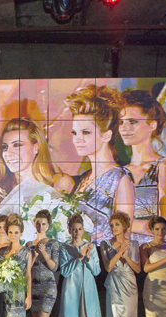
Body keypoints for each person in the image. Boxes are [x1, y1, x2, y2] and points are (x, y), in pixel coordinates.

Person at [0, 118, 74, 242]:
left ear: (36, 147)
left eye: (17, 145)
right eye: (4, 147)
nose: (8, 153)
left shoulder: (60, 183)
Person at [65, 85, 135, 242]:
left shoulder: (120, 179)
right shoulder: (84, 178)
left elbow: (123, 238)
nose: (77, 139)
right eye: (74, 133)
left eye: (86, 132)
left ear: (106, 136)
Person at [119, 89, 166, 243]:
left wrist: (120, 224)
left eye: (133, 122)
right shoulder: (119, 172)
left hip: (154, 252)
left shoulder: (164, 167)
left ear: (152, 125)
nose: (124, 127)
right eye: (121, 122)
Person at [58, 214, 101, 317]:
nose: (77, 232)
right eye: (74, 229)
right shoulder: (65, 248)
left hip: (88, 289)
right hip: (71, 288)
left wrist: (88, 257)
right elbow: (64, 271)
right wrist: (79, 258)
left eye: (79, 229)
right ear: (70, 230)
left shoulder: (91, 247)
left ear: (83, 230)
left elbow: (96, 271)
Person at [100, 211, 140, 317]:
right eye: (111, 225)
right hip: (114, 286)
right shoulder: (105, 244)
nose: (114, 228)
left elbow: (138, 269)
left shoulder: (134, 244)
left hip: (130, 286)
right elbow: (108, 267)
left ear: (124, 226)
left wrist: (127, 256)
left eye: (117, 224)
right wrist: (119, 252)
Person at [27, 209, 60, 317]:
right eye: (38, 223)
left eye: (44, 224)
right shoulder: (29, 244)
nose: (40, 226)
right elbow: (26, 268)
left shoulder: (53, 243)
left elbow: (54, 267)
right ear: (34, 224)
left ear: (48, 225)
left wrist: (44, 253)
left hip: (48, 287)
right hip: (33, 287)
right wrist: (34, 255)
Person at [0, 214, 33, 317]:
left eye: (16, 232)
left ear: (21, 233)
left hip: (18, 295)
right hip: (4, 295)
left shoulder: (26, 252)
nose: (13, 235)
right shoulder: (3, 251)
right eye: (11, 232)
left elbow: (28, 275)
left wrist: (29, 295)